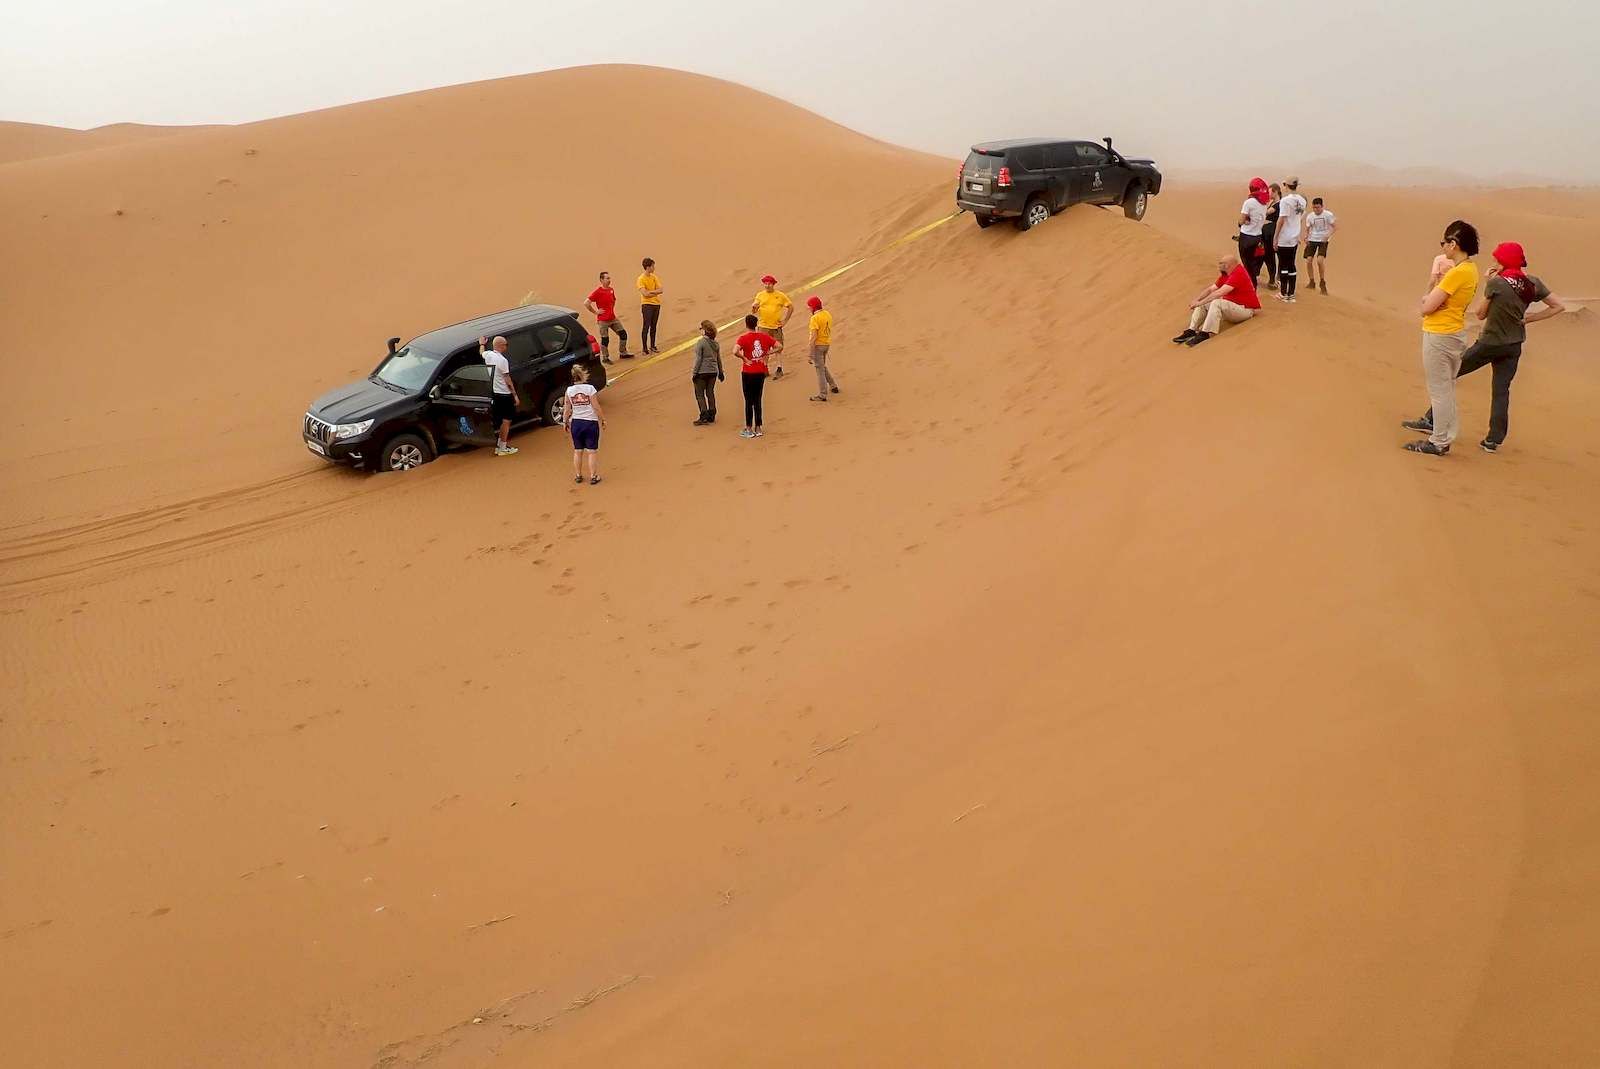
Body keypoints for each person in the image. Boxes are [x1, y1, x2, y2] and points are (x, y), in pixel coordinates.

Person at [1407, 241, 1566, 453]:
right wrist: (1529, 319)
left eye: (1497, 259)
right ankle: (1493, 440)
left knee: (1449, 375)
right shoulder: (1533, 283)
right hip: (1513, 344)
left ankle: (1432, 420)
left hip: (1489, 343)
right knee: (1501, 391)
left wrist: (1488, 284)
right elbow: (1559, 305)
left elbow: (1481, 313)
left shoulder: (1497, 283)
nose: (1495, 262)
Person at [1401, 220, 1480, 455]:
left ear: (1454, 244)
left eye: (1444, 242)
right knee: (1446, 388)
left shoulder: (1457, 273)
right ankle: (1443, 436)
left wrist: (1427, 300)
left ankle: (1439, 440)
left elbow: (1427, 306)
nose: (1443, 247)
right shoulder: (1470, 270)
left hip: (1441, 334)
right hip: (1453, 332)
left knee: (1440, 390)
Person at [1171, 252, 1260, 347]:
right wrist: (1197, 300)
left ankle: (1205, 333)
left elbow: (1219, 293)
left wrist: (1199, 303)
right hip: (1233, 307)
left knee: (1216, 302)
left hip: (1245, 310)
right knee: (1206, 302)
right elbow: (1211, 289)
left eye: (1221, 263)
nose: (1219, 265)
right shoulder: (1226, 275)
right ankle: (1192, 330)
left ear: (1227, 265)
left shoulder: (1238, 273)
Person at [734, 314, 779, 438]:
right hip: (760, 371)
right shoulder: (764, 337)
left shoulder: (743, 338)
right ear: (756, 324)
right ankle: (758, 427)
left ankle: (748, 428)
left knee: (749, 400)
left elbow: (735, 351)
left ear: (746, 324)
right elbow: (779, 346)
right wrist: (767, 353)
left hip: (748, 372)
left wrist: (744, 358)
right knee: (758, 399)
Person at [562, 363, 606, 484]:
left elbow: (567, 408)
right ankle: (593, 476)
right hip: (590, 422)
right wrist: (602, 419)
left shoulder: (569, 391)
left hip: (576, 423)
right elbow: (596, 406)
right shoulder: (590, 389)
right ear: (583, 375)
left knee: (578, 450)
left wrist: (565, 422)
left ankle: (578, 475)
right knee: (591, 451)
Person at [477, 334, 521, 456]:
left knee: (502, 420)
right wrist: (515, 395)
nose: (507, 346)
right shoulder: (502, 360)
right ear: (501, 346)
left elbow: (482, 352)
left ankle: (500, 444)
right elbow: (507, 379)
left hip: (496, 393)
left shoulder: (489, 355)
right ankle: (502, 447)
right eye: (506, 344)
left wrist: (481, 344)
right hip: (505, 394)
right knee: (507, 421)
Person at [585, 271, 635, 363]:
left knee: (623, 334)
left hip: (613, 318)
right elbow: (586, 303)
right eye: (607, 278)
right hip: (603, 320)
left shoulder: (611, 290)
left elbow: (613, 300)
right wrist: (596, 312)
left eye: (609, 278)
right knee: (605, 339)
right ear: (601, 280)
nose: (609, 280)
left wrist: (610, 309)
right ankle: (605, 357)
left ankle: (623, 352)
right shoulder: (598, 292)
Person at [751, 275, 793, 379]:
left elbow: (790, 307)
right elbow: (754, 309)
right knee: (764, 348)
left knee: (778, 348)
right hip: (763, 326)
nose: (767, 285)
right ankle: (764, 369)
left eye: (769, 283)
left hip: (776, 327)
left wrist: (785, 320)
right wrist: (754, 307)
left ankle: (779, 368)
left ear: (773, 284)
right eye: (765, 283)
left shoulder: (780, 295)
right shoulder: (760, 295)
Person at [1274, 177, 1307, 301]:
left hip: (1284, 237)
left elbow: (1281, 219)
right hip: (1294, 237)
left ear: (1285, 185)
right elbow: (1300, 217)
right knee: (1291, 264)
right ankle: (1291, 292)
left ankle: (1283, 293)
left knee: (1283, 265)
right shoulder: (1302, 200)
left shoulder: (1285, 201)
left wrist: (1275, 238)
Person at [1238, 178, 1271, 286]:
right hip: (1258, 237)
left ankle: (1251, 287)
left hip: (1246, 238)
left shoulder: (1249, 202)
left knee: (1247, 265)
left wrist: (1243, 221)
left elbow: (1241, 221)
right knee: (1252, 264)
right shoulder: (1264, 204)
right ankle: (1252, 285)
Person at [806, 296, 839, 401]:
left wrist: (810, 354)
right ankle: (833, 385)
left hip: (818, 346)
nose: (808, 308)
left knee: (819, 369)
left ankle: (822, 394)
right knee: (822, 366)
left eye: (809, 306)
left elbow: (814, 337)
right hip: (826, 344)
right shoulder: (827, 314)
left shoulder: (814, 318)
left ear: (813, 307)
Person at [691, 319, 724, 426]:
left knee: (699, 394)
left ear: (705, 330)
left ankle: (704, 415)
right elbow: (718, 359)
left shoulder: (701, 343)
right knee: (710, 392)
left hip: (702, 372)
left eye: (701, 328)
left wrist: (694, 373)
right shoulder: (716, 344)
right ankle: (712, 413)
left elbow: (698, 359)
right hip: (713, 372)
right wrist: (721, 372)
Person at [1303, 197, 1336, 294]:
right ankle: (1311, 281)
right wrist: (1306, 237)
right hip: (1312, 239)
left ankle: (1322, 282)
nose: (1316, 210)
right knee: (1309, 261)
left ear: (1322, 206)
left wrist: (1328, 235)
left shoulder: (1328, 215)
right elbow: (1308, 228)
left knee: (1319, 261)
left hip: (1323, 241)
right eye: (1314, 208)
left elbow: (1335, 227)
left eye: (1318, 207)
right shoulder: (1310, 216)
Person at [637, 257, 663, 355]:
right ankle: (644, 348)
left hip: (656, 304)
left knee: (654, 326)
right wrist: (655, 292)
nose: (654, 268)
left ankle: (652, 345)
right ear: (648, 267)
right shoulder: (641, 279)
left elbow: (661, 290)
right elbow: (645, 294)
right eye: (652, 266)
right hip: (647, 305)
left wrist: (651, 292)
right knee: (646, 326)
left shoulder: (654, 277)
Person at [1262, 182, 1283, 288]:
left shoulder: (1278, 204)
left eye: (1269, 192)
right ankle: (1273, 278)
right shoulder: (1272, 203)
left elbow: (1266, 213)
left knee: (1271, 255)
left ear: (1275, 192)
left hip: (1272, 232)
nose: (1268, 194)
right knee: (1268, 255)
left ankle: (1276, 279)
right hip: (1267, 232)